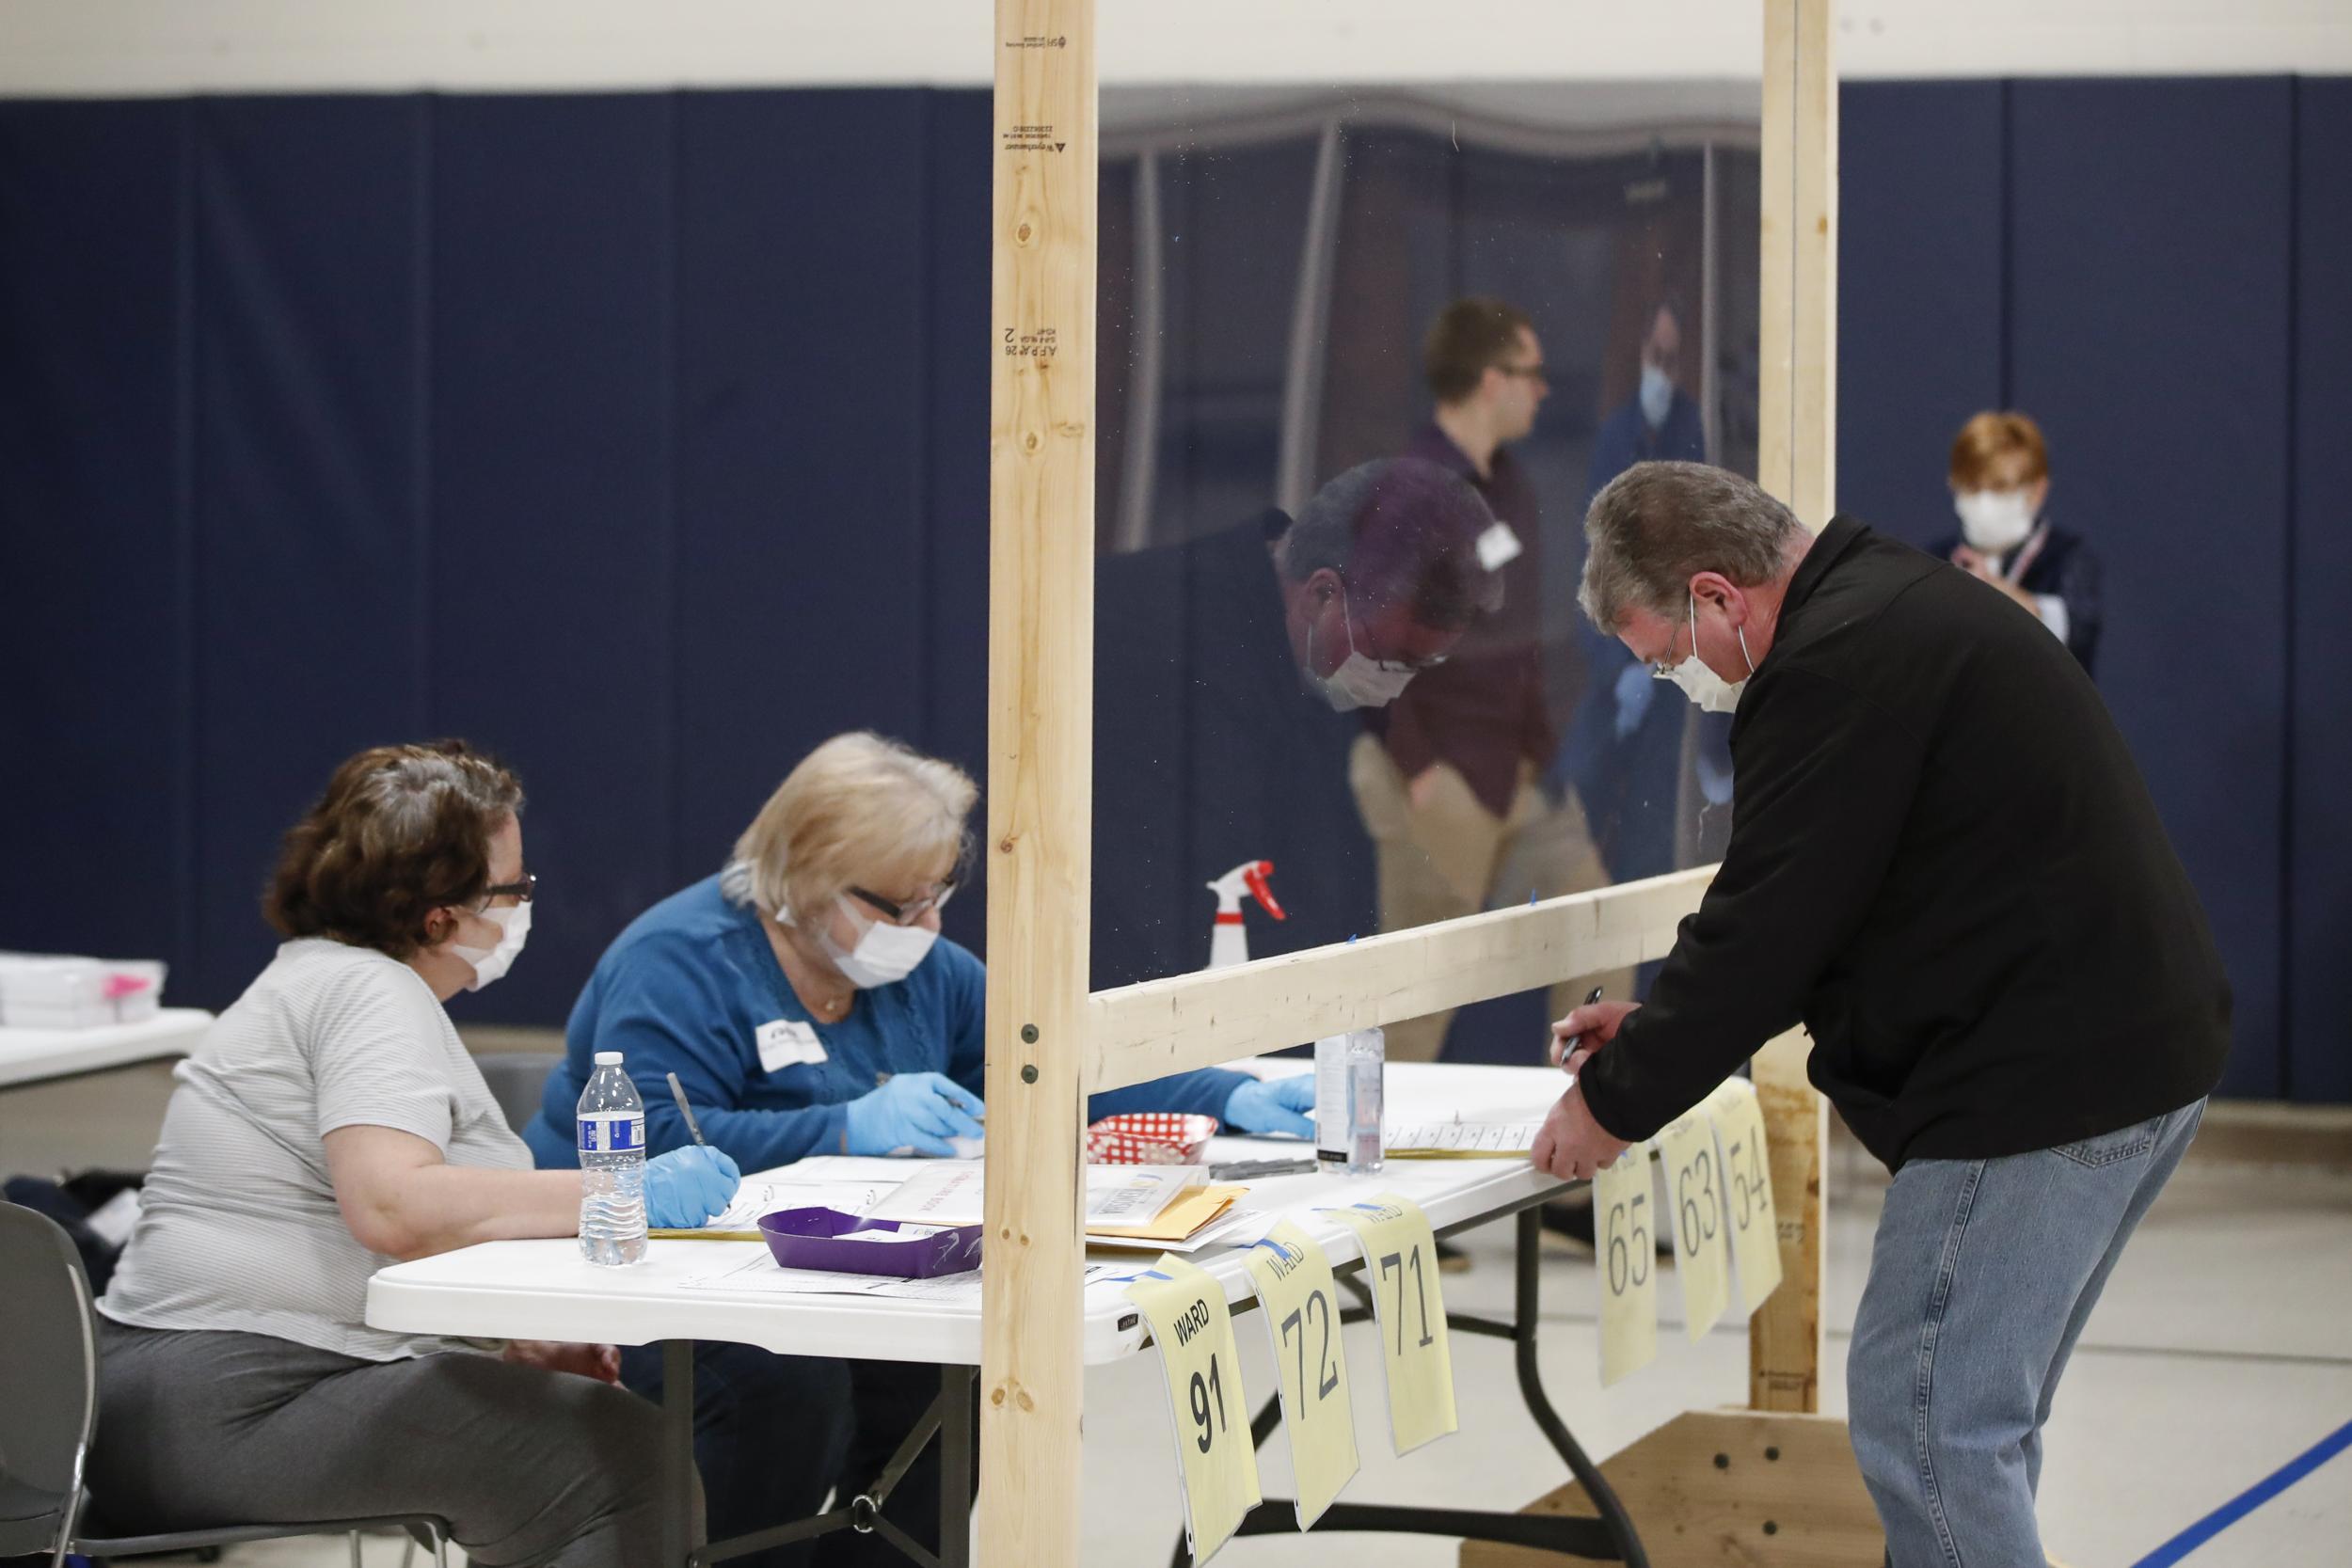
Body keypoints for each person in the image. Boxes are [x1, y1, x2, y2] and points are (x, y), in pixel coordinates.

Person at [1534, 463, 2230, 1567]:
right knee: (1969, 1428)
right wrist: (1663, 1024)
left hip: (2037, 1082)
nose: (1679, 680)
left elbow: (1772, 918)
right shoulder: (1887, 600)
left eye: (1663, 656)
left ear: (1717, 595)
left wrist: (1615, 1103)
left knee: (1930, 1428)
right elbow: (1837, 895)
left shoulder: (1832, 664)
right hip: (2120, 1050)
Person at [521, 731, 1320, 1566]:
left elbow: (1050, 1060)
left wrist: (1225, 1093)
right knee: (792, 1386)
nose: (928, 926)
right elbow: (649, 1155)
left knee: (948, 1373)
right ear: (806, 880)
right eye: (901, 907)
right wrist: (842, 1127)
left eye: (939, 895)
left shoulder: (921, 972)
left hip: (837, 1268)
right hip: (654, 1274)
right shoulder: (682, 963)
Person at [89, 742, 740, 1568]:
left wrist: (500, 1339)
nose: (522, 908)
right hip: (232, 1399)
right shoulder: (369, 992)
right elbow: (392, 1206)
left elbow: (350, 1232)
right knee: (622, 1462)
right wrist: (624, 1191)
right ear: (441, 917)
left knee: (586, 1432)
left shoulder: (316, 976)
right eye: (514, 891)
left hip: (166, 1399)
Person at [1090, 456, 1506, 990]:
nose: (1395, 684)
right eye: (1392, 658)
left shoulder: (1307, 650)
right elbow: (1166, 916)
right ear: (1321, 594)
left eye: (1420, 668)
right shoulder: (1155, 645)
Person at [1349, 298, 1630, 1063]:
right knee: (1419, 997)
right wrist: (1418, 769)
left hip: (1516, 771)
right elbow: (1363, 636)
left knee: (1593, 921)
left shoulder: (1507, 483)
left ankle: (1586, 1129)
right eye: (1531, 373)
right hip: (1441, 773)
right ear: (1488, 379)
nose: (1543, 391)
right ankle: (1380, 1166)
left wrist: (1548, 763)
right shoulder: (1412, 489)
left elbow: (1515, 644)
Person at [1560, 296, 1725, 889]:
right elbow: (1594, 558)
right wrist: (1616, 666)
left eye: (1672, 359)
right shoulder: (1617, 433)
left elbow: (1697, 554)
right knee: (1581, 789)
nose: (1663, 368)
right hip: (1614, 662)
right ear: (1639, 357)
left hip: (1672, 663)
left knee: (1652, 830)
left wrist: (1663, 663)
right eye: (1655, 356)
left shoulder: (1692, 431)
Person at [1933, 409, 2103, 674]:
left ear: (2037, 490)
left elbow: (2076, 633)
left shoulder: (2067, 558)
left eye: (1999, 488)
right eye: (1972, 487)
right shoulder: (1936, 560)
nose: (1984, 502)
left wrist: (1994, 591)